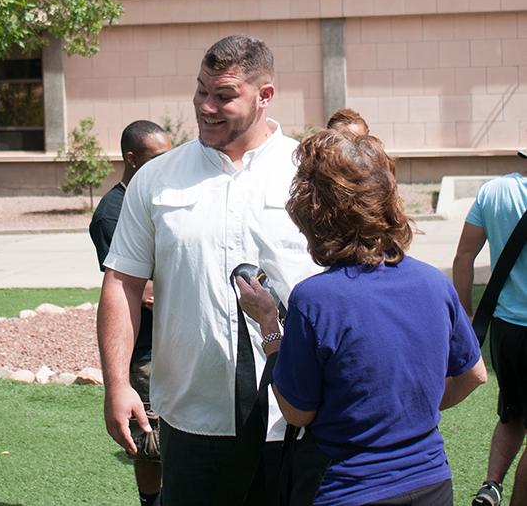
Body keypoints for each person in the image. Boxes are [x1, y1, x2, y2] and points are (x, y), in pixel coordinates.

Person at [97, 34, 321, 506]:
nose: (206, 107)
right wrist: (117, 384)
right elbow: (123, 282)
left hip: (298, 416)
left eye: (223, 96)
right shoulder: (157, 179)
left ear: (265, 96)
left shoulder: (310, 174)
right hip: (192, 419)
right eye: (201, 90)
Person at [239, 129, 486, 505]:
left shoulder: (315, 299)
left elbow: (297, 412)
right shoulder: (434, 282)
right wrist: (406, 412)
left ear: (312, 215)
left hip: (347, 489)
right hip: (432, 483)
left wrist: (270, 328)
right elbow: (474, 375)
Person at [90, 120, 172, 506]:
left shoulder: (157, 196)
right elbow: (143, 292)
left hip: (173, 341)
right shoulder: (112, 212)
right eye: (158, 157)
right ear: (131, 159)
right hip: (145, 350)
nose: (166, 164)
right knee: (150, 440)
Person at [453, 150, 527, 506]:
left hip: (504, 328)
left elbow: (464, 256)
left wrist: (465, 314)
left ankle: (491, 485)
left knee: (512, 413)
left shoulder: (493, 191)